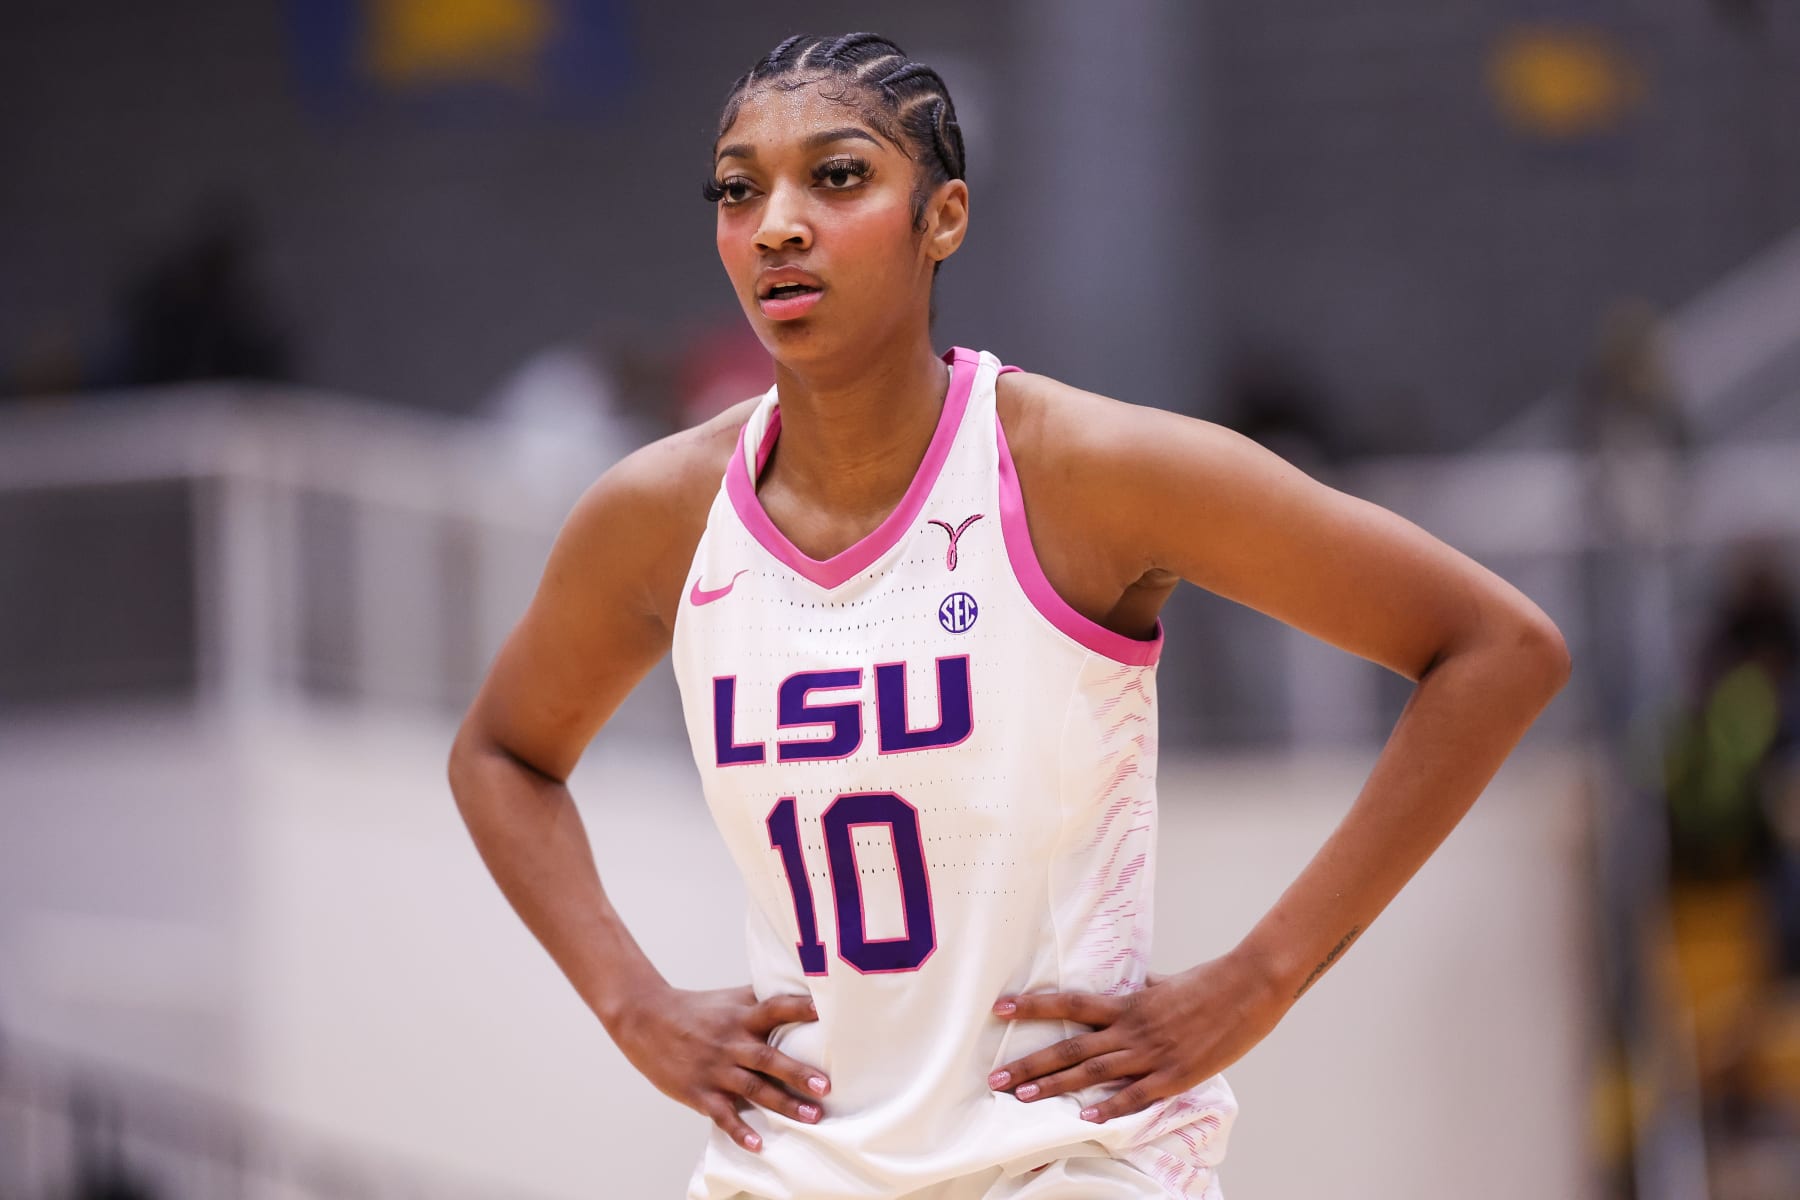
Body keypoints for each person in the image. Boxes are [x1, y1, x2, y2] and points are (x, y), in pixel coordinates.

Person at [446, 32, 1571, 1200]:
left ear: (945, 219)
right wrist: (633, 1005)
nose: (777, 223)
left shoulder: (1086, 469)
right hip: (789, 1168)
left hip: (1067, 1160)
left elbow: (1496, 649)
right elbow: (502, 753)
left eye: (837, 177)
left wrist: (1263, 975)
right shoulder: (658, 515)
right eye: (740, 190)